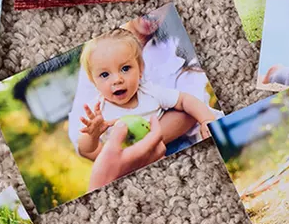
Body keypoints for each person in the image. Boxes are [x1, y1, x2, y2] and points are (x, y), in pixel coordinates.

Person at [76, 28, 218, 162]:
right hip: (131, 163)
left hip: (171, 147)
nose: (117, 80)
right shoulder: (99, 111)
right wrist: (92, 136)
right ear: (93, 81)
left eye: (125, 68)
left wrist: (205, 119)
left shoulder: (149, 92)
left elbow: (184, 100)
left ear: (141, 69)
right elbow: (85, 149)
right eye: (105, 74)